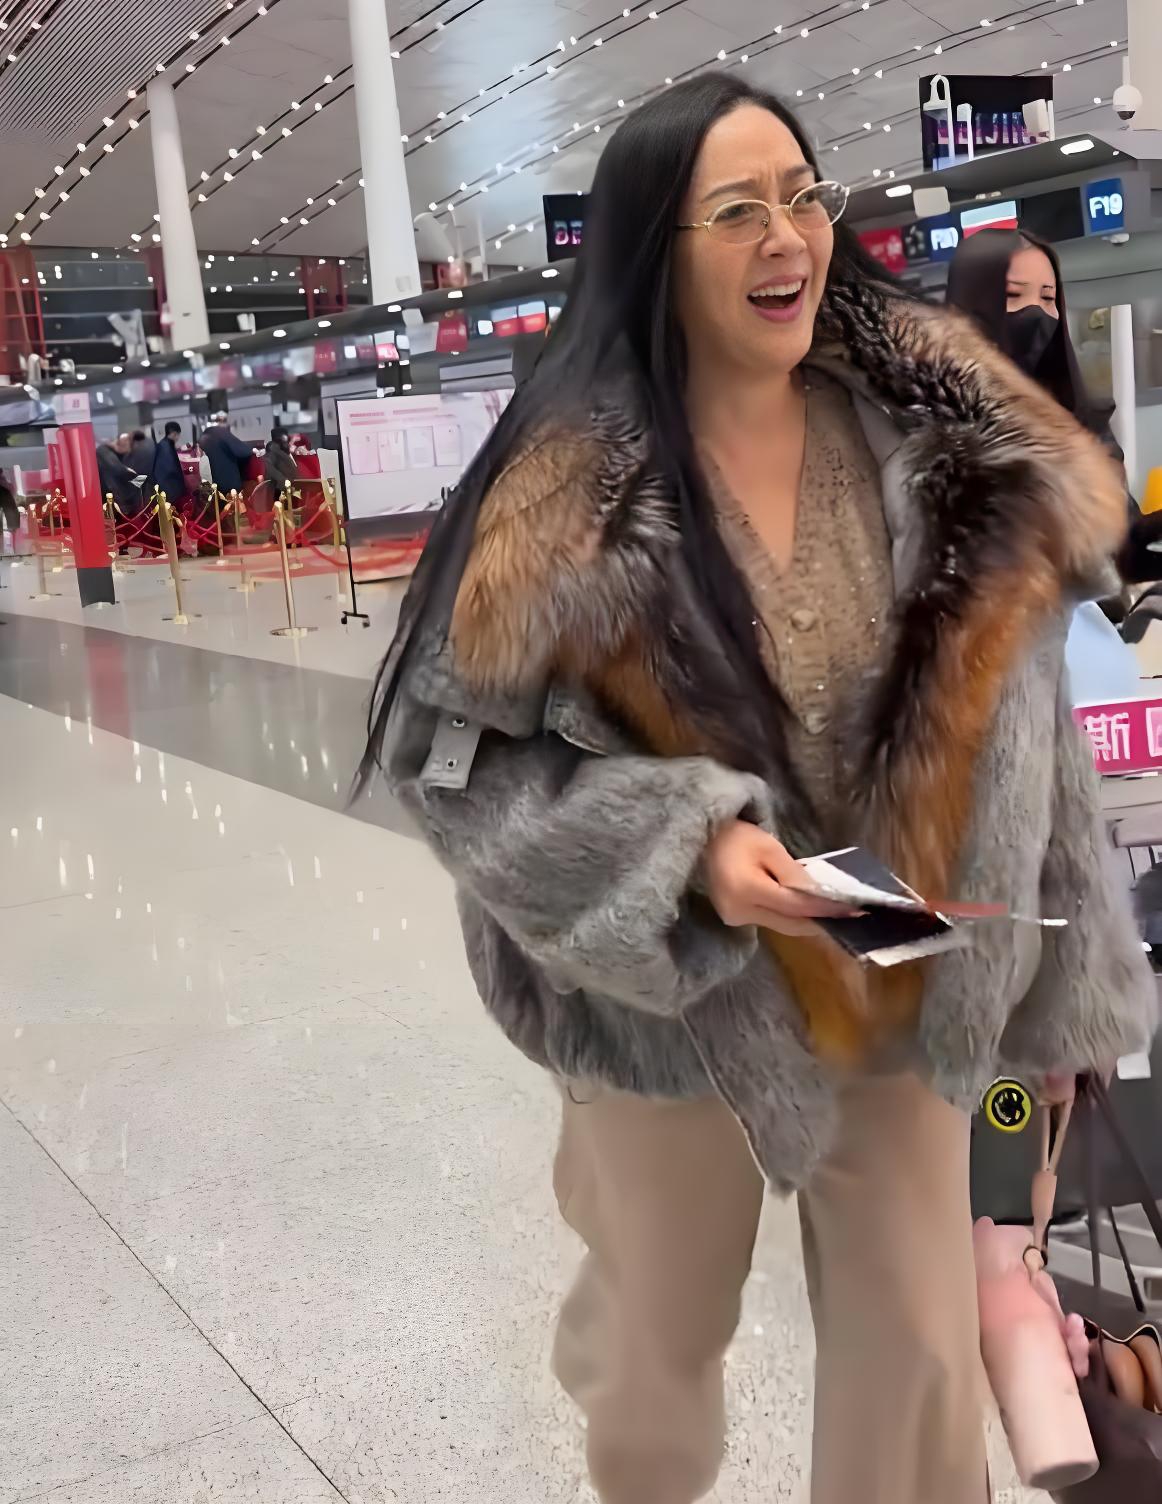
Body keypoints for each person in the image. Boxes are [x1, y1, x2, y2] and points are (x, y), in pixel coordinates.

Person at [360, 75, 1155, 1504]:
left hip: (901, 972)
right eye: (735, 211)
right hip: (676, 1015)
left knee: (917, 1362)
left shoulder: (946, 453)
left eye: (801, 197)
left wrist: (1065, 1002)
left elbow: (1028, 742)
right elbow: (454, 769)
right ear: (654, 249)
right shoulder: (565, 495)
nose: (785, 236)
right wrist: (690, 857)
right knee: (656, 1362)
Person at [945, 227, 1158, 582]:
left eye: (1048, 298)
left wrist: (1141, 539)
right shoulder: (931, 428)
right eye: (1013, 295)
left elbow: (1119, 543)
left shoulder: (1078, 419)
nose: (1036, 313)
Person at [200, 412, 255, 494]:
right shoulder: (221, 432)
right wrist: (252, 450)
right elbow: (241, 451)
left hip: (214, 480)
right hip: (229, 479)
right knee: (233, 500)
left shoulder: (205, 435)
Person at [96, 433, 142, 515]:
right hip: (116, 501)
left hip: (112, 499)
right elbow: (119, 472)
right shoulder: (104, 452)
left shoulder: (105, 452)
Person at [148, 421, 186, 507]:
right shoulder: (166, 447)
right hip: (168, 488)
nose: (178, 438)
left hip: (163, 485)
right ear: (174, 433)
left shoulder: (164, 443)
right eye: (178, 435)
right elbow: (170, 469)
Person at [263, 427, 299, 492]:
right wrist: (284, 481)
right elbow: (270, 469)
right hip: (282, 490)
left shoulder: (282, 451)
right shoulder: (273, 451)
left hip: (290, 488)